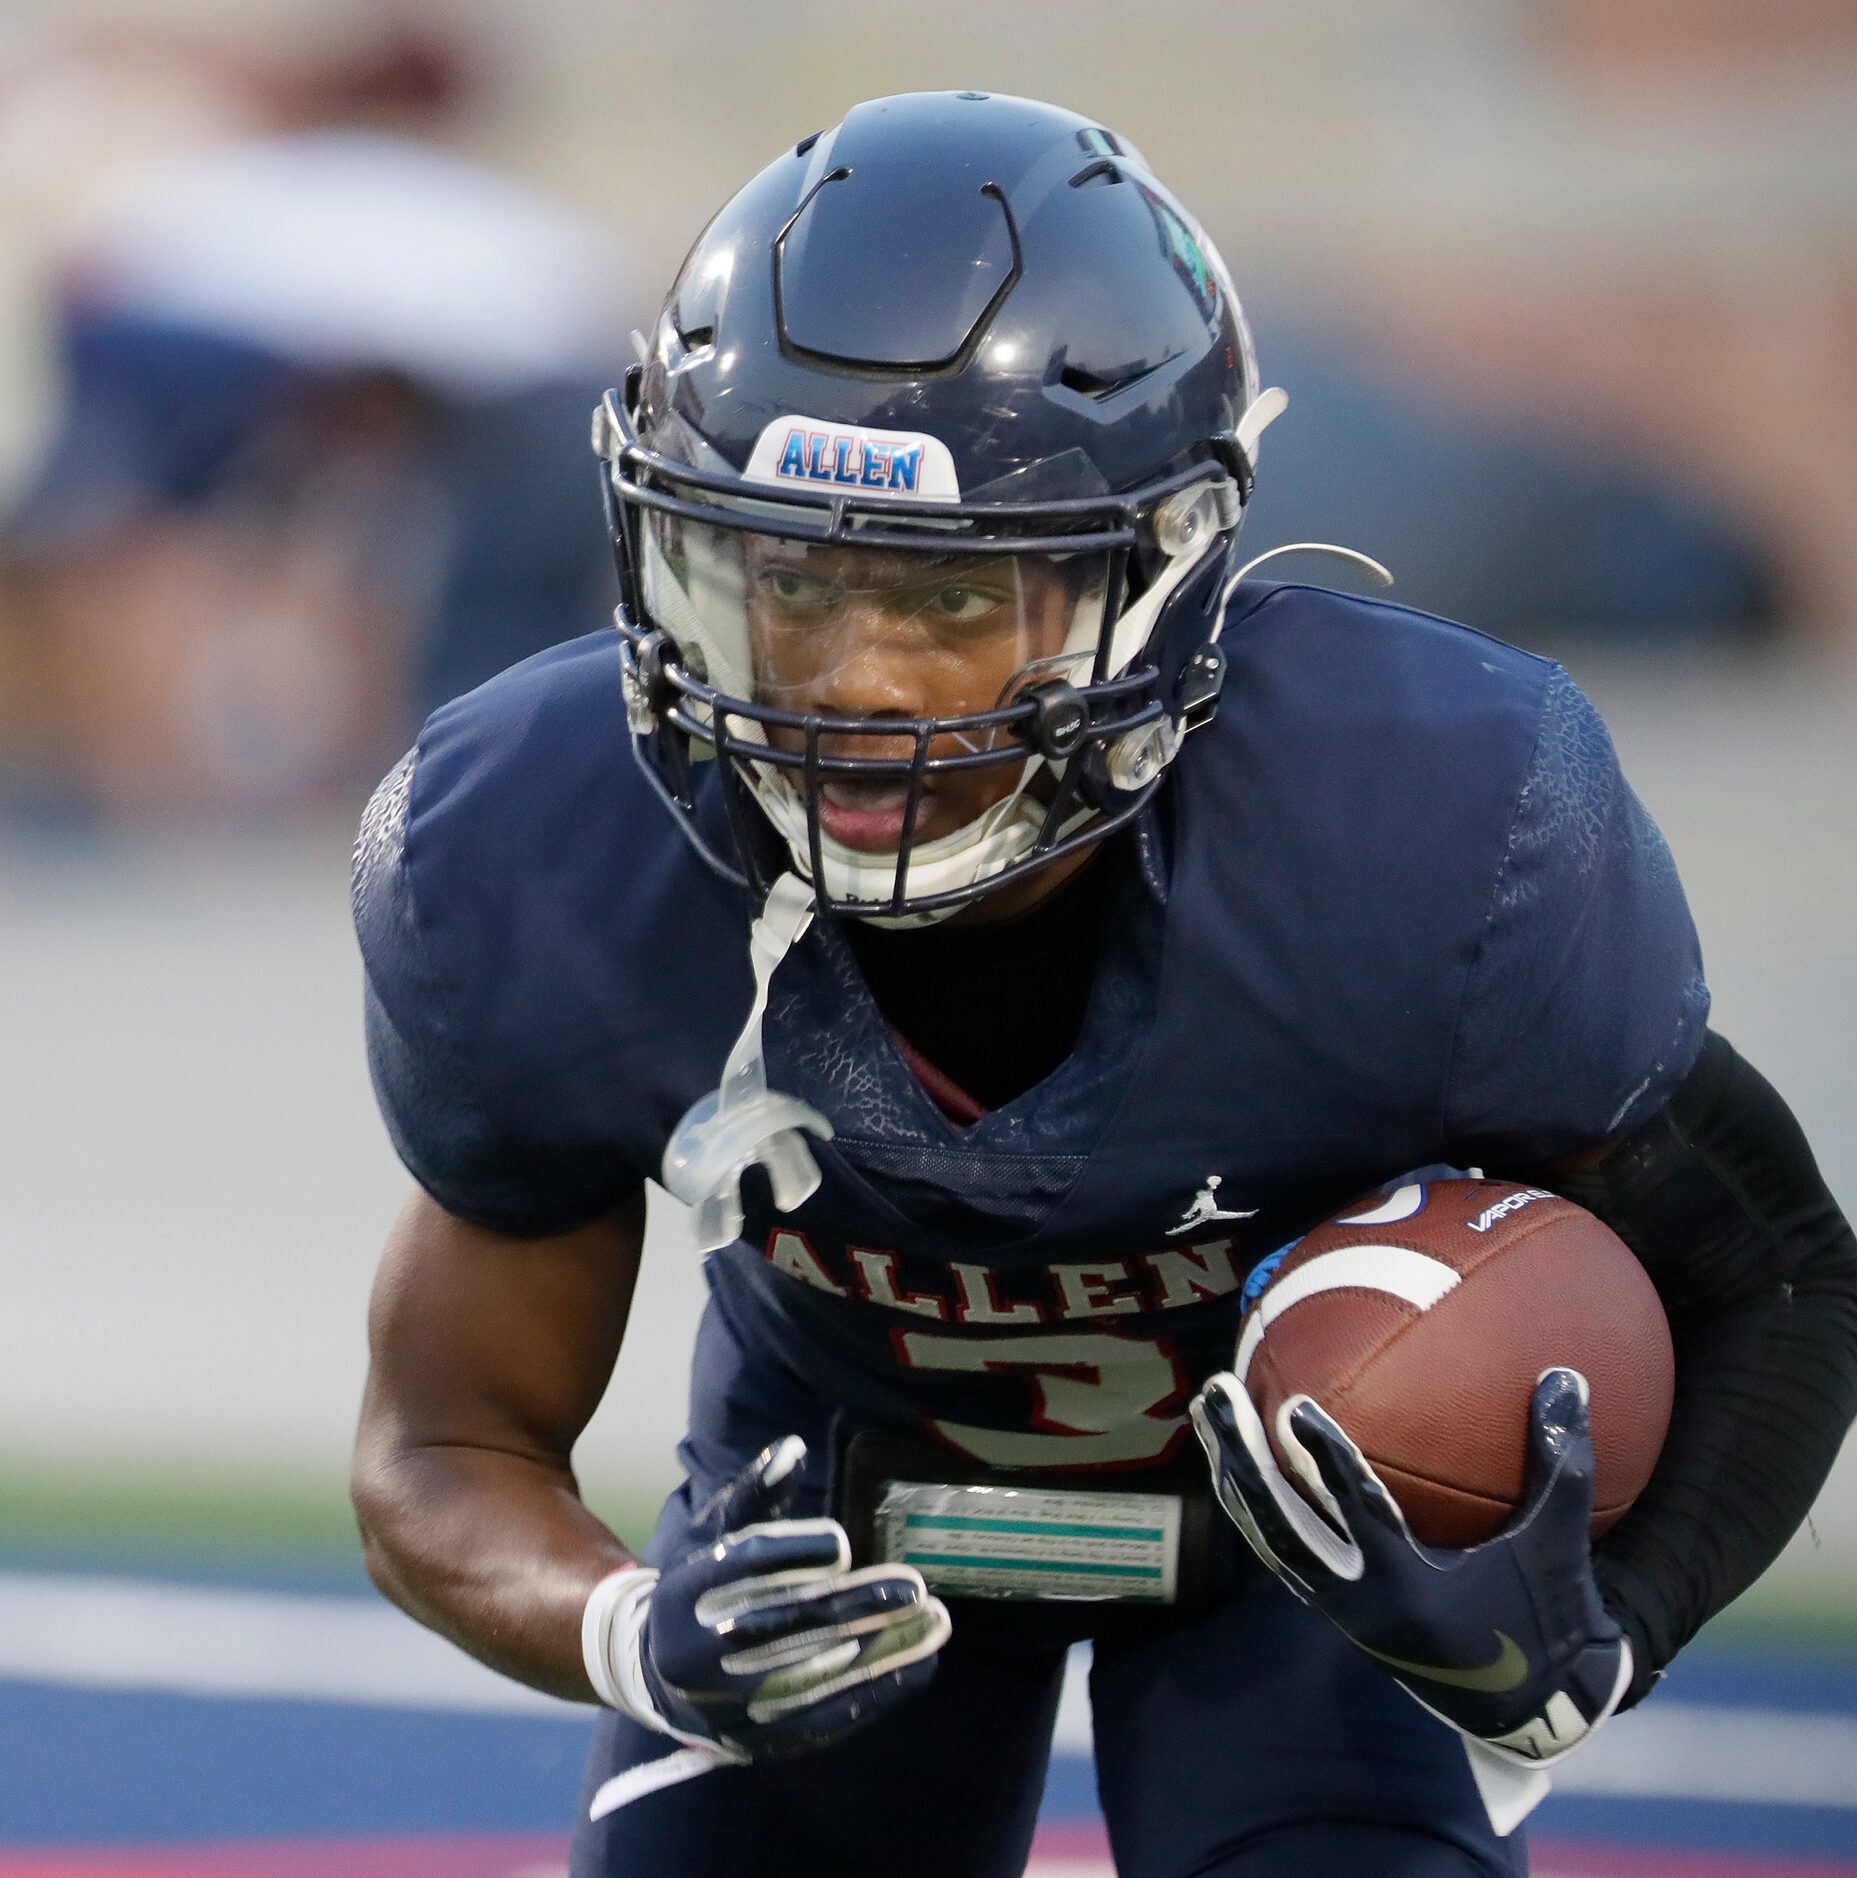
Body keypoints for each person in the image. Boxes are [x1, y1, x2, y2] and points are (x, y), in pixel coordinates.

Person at [349, 92, 1857, 1877]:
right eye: (786, 581)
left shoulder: (1424, 829)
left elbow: (1773, 1269)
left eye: (949, 600)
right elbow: (440, 1441)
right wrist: (631, 1630)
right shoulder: (547, 836)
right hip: (835, 1503)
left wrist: (1586, 1649)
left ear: (1161, 580)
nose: (853, 685)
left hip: (1310, 1527)